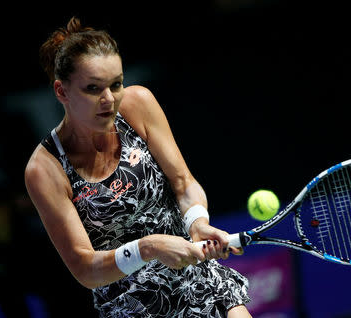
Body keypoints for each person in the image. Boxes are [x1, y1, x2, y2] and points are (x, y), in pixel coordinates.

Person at [25, 17, 252, 318]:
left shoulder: (137, 104)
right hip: (132, 307)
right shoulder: (45, 169)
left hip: (198, 281)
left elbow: (184, 183)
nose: (109, 99)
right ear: (61, 92)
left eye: (116, 84)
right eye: (93, 88)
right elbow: (84, 268)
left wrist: (197, 221)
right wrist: (148, 248)